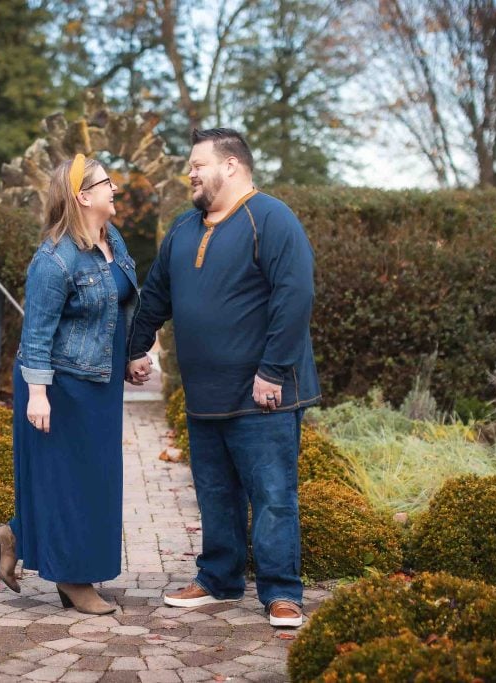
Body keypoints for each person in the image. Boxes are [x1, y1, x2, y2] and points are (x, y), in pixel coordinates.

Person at [126, 128, 321, 628]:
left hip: (263, 395)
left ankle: (282, 592)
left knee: (273, 497)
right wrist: (137, 346)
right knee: (215, 495)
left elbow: (293, 296)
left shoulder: (272, 218)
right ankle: (218, 580)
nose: (190, 173)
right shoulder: (183, 229)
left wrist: (274, 370)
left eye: (198, 164)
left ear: (231, 166)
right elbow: (156, 295)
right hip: (204, 395)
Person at [0, 153, 138, 615]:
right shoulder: (54, 258)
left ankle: (13, 535)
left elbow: (119, 306)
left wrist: (132, 356)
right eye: (108, 182)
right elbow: (37, 332)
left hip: (99, 384)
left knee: (96, 480)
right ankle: (73, 581)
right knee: (71, 483)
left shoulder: (113, 240)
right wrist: (40, 394)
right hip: (60, 388)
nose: (116, 189)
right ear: (83, 196)